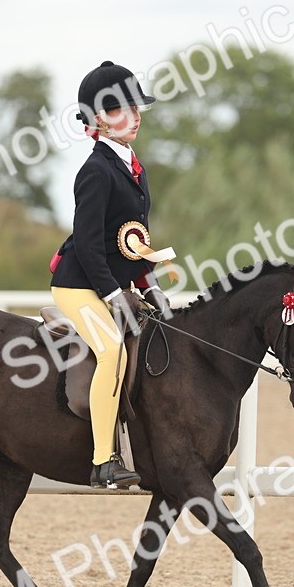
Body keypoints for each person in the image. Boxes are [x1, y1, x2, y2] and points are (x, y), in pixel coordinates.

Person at [49, 60, 170, 489]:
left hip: (114, 281)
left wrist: (149, 284)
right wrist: (114, 293)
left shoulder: (132, 166)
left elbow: (131, 239)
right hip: (79, 285)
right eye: (123, 110)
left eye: (137, 109)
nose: (134, 118)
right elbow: (87, 243)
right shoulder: (96, 171)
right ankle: (103, 459)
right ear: (99, 119)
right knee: (113, 350)